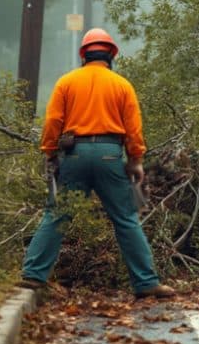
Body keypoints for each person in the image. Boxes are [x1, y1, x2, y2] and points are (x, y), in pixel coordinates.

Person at [20, 28, 175, 299]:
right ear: (111, 55)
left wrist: (50, 154)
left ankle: (33, 276)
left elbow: (53, 122)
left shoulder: (66, 83)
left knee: (57, 215)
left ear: (83, 55)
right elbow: (134, 129)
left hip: (75, 155)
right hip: (109, 155)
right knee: (126, 218)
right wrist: (136, 160)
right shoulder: (122, 85)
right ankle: (146, 283)